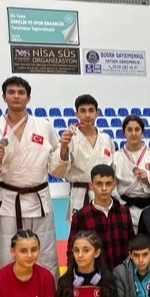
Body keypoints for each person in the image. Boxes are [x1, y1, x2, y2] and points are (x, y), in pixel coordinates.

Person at [0, 76, 60, 281]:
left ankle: (49, 295)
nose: (16, 96)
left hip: (39, 198)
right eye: (11, 92)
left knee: (46, 251)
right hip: (10, 200)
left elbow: (56, 161)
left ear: (28, 98)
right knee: (9, 252)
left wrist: (66, 149)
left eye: (21, 92)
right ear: (4, 97)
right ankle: (10, 296)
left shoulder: (43, 126)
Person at [50, 94, 115, 223]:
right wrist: (64, 147)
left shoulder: (106, 139)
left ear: (97, 114)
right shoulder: (70, 138)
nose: (87, 115)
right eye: (83, 111)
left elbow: (113, 169)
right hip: (80, 196)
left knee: (105, 231)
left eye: (91, 110)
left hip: (104, 194)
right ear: (76, 114)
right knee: (80, 233)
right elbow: (57, 171)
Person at [67, 164, 134, 272]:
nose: (104, 188)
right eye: (99, 184)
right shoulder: (80, 217)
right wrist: (72, 275)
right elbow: (71, 250)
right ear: (91, 185)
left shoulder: (124, 212)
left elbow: (132, 244)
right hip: (94, 275)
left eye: (108, 184)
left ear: (114, 185)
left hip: (122, 274)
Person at [112, 115, 150, 232]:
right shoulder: (116, 157)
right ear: (124, 132)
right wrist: (120, 204)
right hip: (125, 208)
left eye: (137, 129)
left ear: (142, 132)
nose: (133, 133)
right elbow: (112, 185)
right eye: (129, 130)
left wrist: (148, 179)